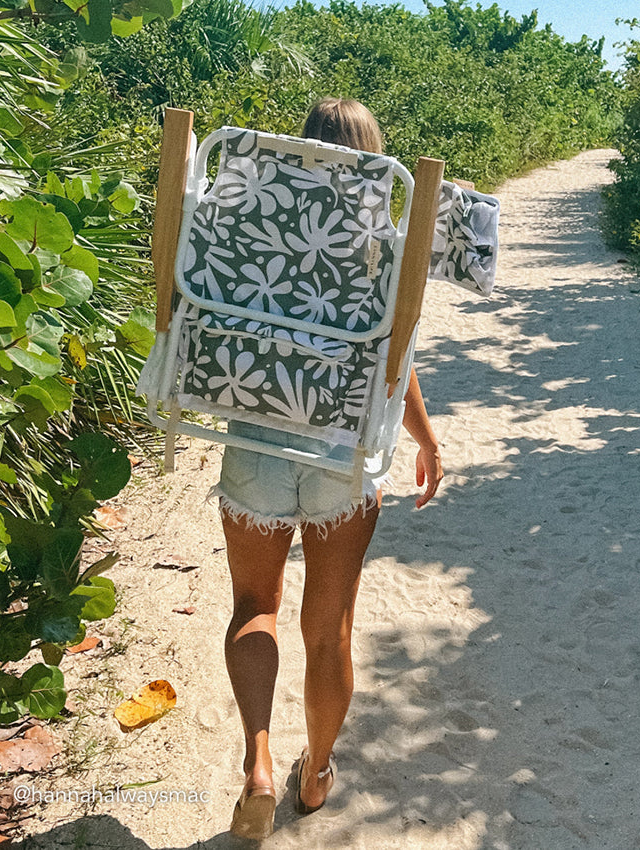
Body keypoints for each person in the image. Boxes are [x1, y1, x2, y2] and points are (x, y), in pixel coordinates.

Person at [218, 97, 443, 840]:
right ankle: (314, 771)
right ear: (377, 160)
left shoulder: (255, 229)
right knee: (330, 626)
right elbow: (397, 360)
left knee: (255, 604)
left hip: (259, 438)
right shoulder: (389, 244)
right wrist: (426, 438)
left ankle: (255, 760)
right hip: (345, 456)